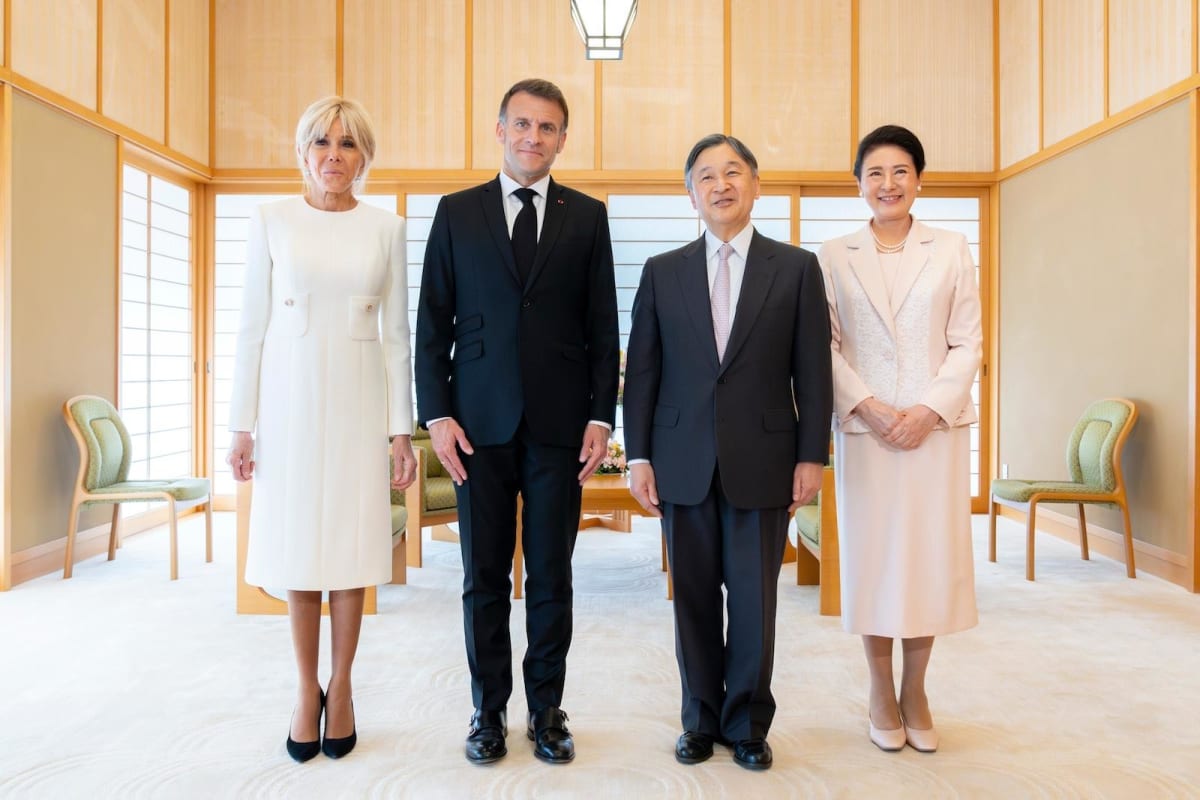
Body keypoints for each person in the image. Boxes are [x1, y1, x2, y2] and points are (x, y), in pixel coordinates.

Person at [414, 78, 619, 766]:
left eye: (548, 127)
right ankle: (488, 710)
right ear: (500, 129)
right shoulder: (457, 211)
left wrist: (601, 415)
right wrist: (437, 416)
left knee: (552, 574)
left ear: (562, 139)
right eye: (523, 124)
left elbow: (602, 326)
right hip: (477, 425)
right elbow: (432, 322)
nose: (535, 137)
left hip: (561, 424)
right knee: (483, 577)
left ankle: (547, 710)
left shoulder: (587, 216)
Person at [623, 134, 833, 770]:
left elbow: (813, 370)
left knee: (753, 601)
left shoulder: (796, 267)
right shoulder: (662, 270)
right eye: (707, 176)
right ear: (691, 194)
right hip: (681, 459)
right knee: (691, 600)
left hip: (764, 460)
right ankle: (699, 719)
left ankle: (746, 724)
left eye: (733, 172)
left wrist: (812, 454)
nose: (721, 185)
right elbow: (643, 373)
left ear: (755, 185)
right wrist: (639, 456)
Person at [226, 96, 416, 763]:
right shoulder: (271, 220)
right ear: (303, 152)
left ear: (365, 157)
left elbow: (397, 337)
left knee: (350, 548)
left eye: (348, 144)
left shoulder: (387, 228)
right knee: (300, 548)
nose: (334, 156)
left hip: (360, 405)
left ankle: (344, 684)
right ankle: (305, 689)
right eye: (322, 142)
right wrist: (241, 425)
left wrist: (400, 431)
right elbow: (250, 329)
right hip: (289, 406)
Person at [817, 124, 982, 754]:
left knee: (927, 560)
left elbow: (968, 341)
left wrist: (928, 410)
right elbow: (825, 345)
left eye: (900, 171)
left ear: (919, 180)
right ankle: (879, 690)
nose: (888, 184)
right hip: (867, 431)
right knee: (875, 561)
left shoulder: (952, 248)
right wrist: (869, 405)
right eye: (875, 173)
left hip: (934, 433)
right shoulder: (834, 255)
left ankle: (917, 690)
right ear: (859, 183)